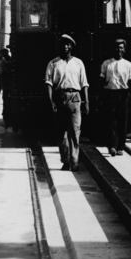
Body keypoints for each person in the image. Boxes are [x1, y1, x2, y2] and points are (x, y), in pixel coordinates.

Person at [45, 34, 90, 171]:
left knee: (75, 131)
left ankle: (75, 162)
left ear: (71, 46)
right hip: (60, 98)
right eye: (63, 44)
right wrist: (51, 101)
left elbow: (84, 84)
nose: (65, 46)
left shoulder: (78, 63)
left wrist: (86, 101)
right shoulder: (53, 63)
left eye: (68, 44)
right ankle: (65, 160)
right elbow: (49, 84)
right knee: (62, 133)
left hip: (75, 98)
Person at [100, 39, 131, 156]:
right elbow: (101, 81)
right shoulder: (106, 64)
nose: (119, 50)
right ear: (113, 49)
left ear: (124, 50)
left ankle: (120, 146)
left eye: (121, 48)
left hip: (124, 94)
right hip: (110, 94)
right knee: (111, 121)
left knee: (123, 121)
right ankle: (112, 146)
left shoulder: (128, 64)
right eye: (117, 48)